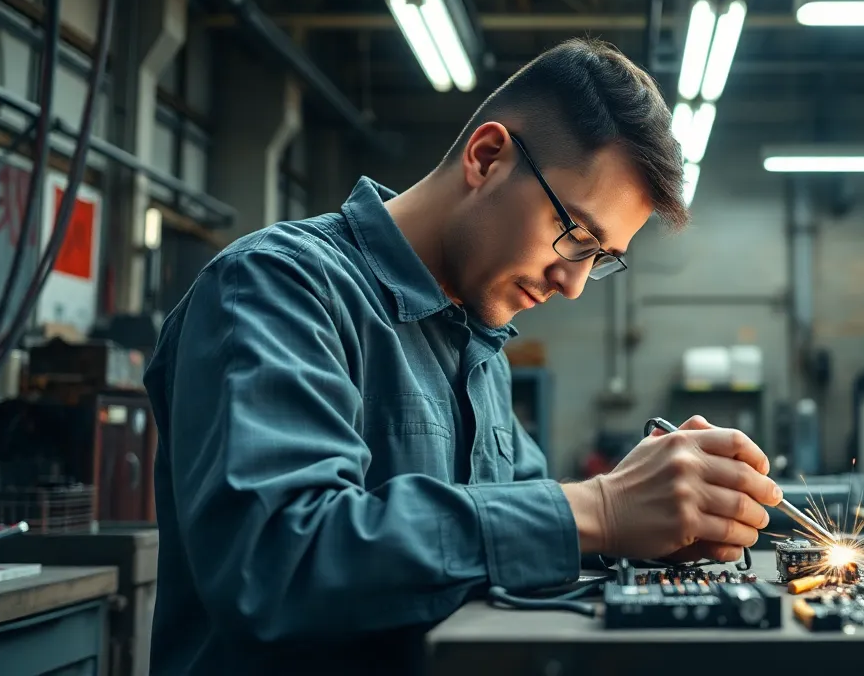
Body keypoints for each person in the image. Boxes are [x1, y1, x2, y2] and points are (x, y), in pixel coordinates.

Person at [143, 38, 783, 675]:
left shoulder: (478, 348)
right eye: (576, 235)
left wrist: (654, 523)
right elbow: (277, 563)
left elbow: (526, 533)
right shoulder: (276, 288)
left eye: (600, 258)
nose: (573, 283)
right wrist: (602, 509)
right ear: (487, 157)